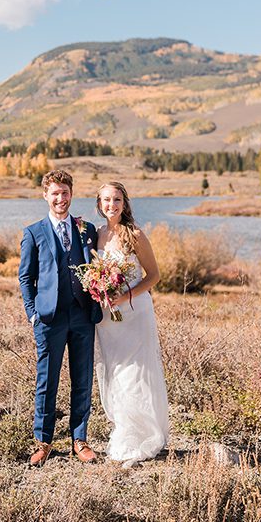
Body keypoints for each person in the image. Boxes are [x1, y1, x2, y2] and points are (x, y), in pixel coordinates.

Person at [18, 169, 103, 467]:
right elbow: (25, 278)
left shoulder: (87, 229)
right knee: (47, 381)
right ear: (45, 195)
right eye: (55, 193)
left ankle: (80, 440)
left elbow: (97, 267)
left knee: (82, 379)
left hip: (82, 316)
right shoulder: (33, 232)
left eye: (65, 193)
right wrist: (32, 315)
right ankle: (43, 442)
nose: (60, 198)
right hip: (49, 319)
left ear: (71, 194)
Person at [93, 181, 170, 467]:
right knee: (114, 371)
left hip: (135, 313)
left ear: (124, 203)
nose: (111, 205)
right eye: (106, 200)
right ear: (99, 204)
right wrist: (99, 291)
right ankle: (124, 428)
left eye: (116, 200)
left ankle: (142, 434)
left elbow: (154, 275)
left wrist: (125, 296)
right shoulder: (96, 235)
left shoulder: (135, 235)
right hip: (108, 319)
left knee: (135, 372)